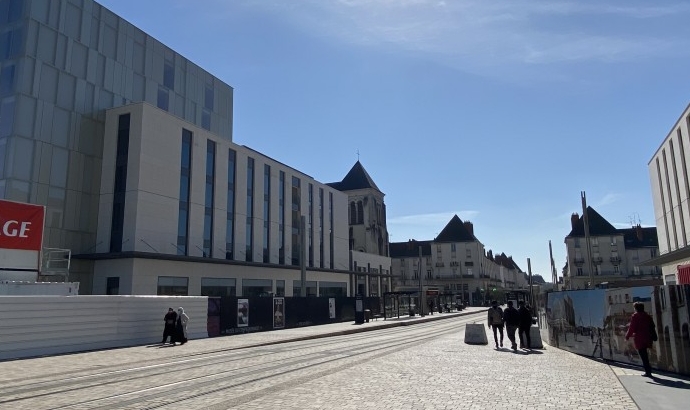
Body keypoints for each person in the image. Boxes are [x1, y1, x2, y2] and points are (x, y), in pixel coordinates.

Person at [625, 302, 655, 377]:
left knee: (643, 355)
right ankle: (649, 370)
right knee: (646, 354)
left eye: (634, 308)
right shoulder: (647, 316)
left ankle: (648, 372)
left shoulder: (635, 316)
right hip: (647, 337)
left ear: (636, 308)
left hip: (640, 338)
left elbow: (631, 328)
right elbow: (652, 326)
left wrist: (627, 336)